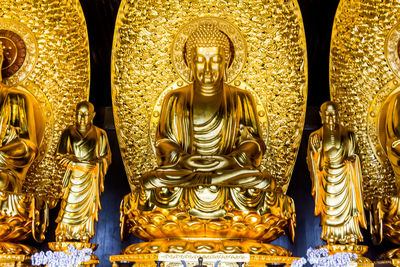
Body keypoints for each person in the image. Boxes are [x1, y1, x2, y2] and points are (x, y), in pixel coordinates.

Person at [142, 23, 274, 191]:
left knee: (263, 182)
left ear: (226, 63)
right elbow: (163, 142)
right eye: (199, 61)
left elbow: (254, 143)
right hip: (185, 170)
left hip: (228, 171)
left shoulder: (241, 98)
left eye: (215, 61)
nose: (207, 68)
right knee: (151, 181)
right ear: (190, 64)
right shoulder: (175, 98)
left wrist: (232, 160)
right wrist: (183, 160)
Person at [307, 101, 366, 244]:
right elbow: (313, 164)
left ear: (338, 115)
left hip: (346, 176)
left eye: (333, 114)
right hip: (327, 177)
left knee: (350, 210)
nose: (331, 118)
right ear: (321, 115)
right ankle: (331, 236)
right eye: (327, 115)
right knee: (330, 207)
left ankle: (350, 234)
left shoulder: (349, 134)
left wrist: (352, 160)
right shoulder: (315, 136)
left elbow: (356, 156)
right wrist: (316, 154)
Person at [55, 101, 111, 242]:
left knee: (87, 208)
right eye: (79, 114)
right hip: (73, 176)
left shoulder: (100, 134)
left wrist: (95, 165)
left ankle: (83, 232)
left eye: (86, 115)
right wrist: (75, 164)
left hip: (90, 178)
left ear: (93, 115)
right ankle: (63, 232)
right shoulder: (68, 132)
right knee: (68, 205)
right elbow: (59, 156)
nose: (82, 118)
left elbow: (106, 157)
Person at [0, 43, 43, 193]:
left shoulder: (18, 98)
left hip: (4, 168)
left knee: (2, 182)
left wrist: (7, 144)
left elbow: (30, 147)